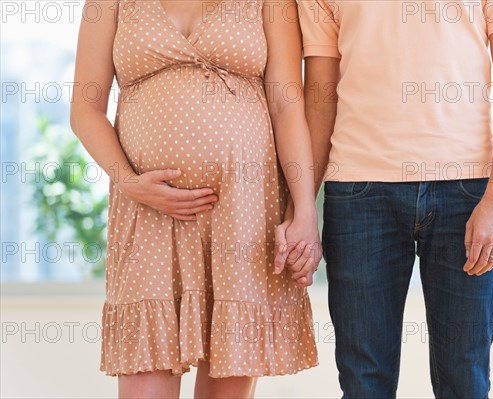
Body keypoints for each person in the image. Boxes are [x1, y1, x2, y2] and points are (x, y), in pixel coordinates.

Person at [283, 0, 493, 397]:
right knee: (363, 382)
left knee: (465, 380)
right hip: (358, 192)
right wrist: (301, 211)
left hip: (466, 192)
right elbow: (320, 99)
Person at [70, 0, 321, 398]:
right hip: (145, 212)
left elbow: (287, 107)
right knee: (143, 382)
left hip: (244, 208)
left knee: (227, 386)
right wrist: (130, 182)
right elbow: (85, 109)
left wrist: (305, 209)